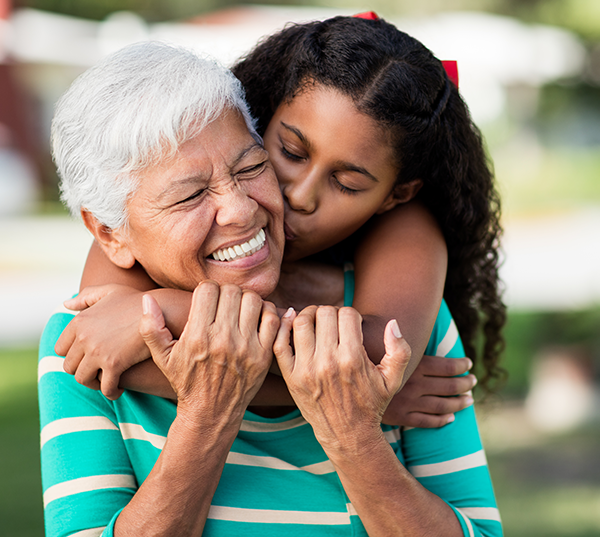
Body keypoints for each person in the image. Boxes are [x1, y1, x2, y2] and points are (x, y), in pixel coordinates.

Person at [39, 29, 501, 536]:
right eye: (189, 195)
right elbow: (103, 340)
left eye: (250, 167)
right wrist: (217, 401)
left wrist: (354, 428)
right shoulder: (92, 331)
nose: (294, 196)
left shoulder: (406, 321)